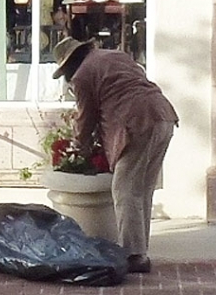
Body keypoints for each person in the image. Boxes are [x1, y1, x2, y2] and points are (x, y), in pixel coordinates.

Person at [51, 37, 178, 273]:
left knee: (124, 189)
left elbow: (85, 118)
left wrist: (78, 148)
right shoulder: (116, 55)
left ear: (69, 64)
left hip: (136, 123)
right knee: (142, 189)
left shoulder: (82, 76)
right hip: (164, 116)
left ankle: (132, 255)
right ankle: (140, 251)